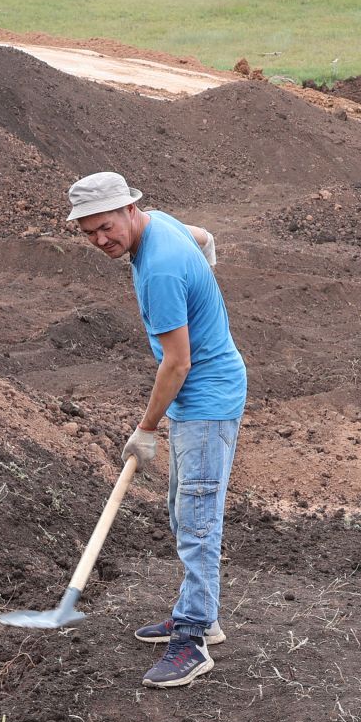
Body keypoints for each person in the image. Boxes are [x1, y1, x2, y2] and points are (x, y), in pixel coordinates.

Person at [66, 171, 247, 688]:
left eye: (106, 227)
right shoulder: (162, 224)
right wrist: (205, 285)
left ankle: (192, 639)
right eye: (89, 234)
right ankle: (201, 612)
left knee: (196, 521)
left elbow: (177, 362)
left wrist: (146, 429)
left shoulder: (159, 273)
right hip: (201, 395)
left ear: (127, 210)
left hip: (206, 400)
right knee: (182, 507)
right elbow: (205, 237)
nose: (102, 241)